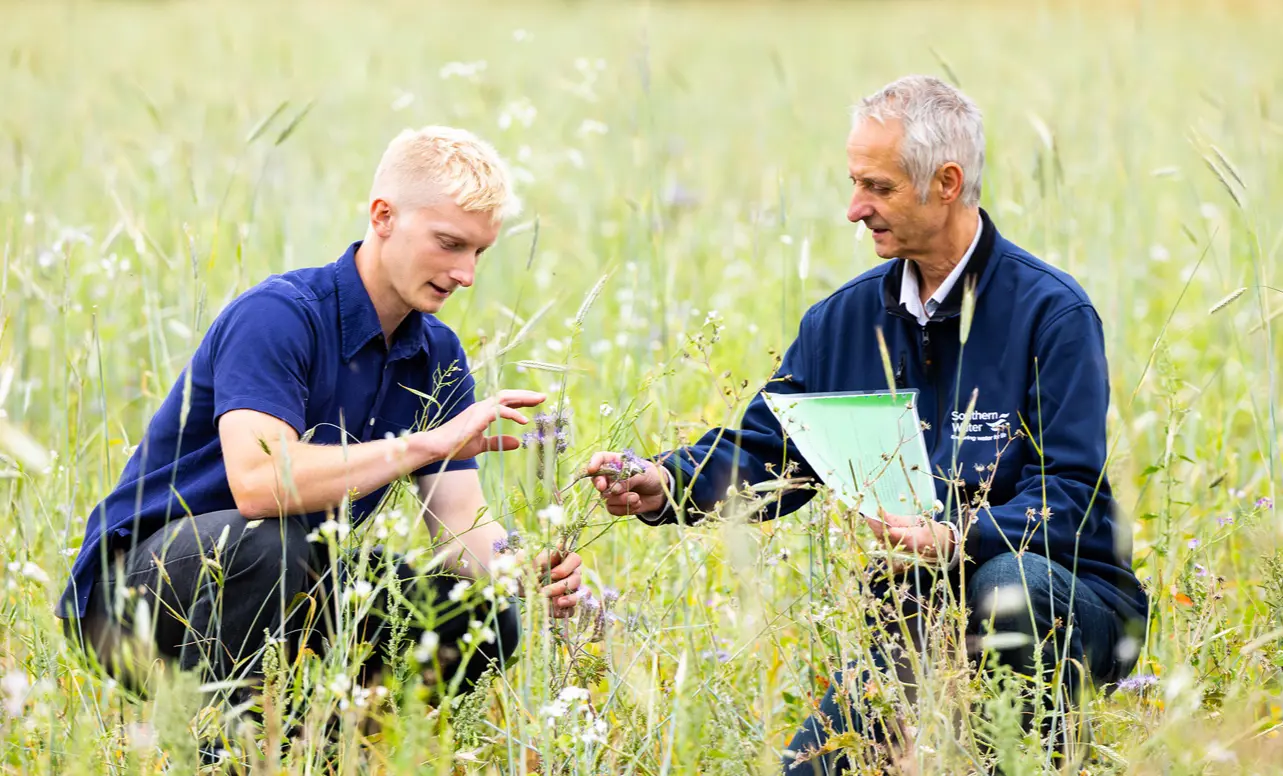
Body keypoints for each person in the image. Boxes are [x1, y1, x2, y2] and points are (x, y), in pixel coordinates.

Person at [587, 75, 1148, 772]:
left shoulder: (1051, 315)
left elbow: (1069, 496)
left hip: (1061, 601)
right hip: (916, 616)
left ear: (946, 182)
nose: (855, 209)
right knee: (812, 766)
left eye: (877, 188)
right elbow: (771, 451)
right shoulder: (841, 321)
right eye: (854, 183)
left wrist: (955, 535)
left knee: (1010, 589)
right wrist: (664, 482)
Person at [58, 126, 584, 704]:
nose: (467, 274)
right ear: (383, 216)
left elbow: (460, 533)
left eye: (479, 252)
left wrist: (520, 571)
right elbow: (260, 486)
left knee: (483, 617)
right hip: (136, 598)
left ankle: (340, 744)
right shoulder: (278, 315)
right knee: (264, 542)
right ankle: (226, 754)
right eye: (450, 244)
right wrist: (426, 444)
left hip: (285, 576)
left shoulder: (439, 352)